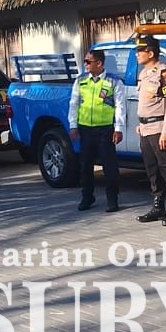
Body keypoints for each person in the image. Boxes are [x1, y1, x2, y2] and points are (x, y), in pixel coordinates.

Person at [132, 35, 166, 226]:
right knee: (152, 171)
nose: (137, 54)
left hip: (159, 129)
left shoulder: (165, 73)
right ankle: (158, 207)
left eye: (140, 51)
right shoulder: (144, 74)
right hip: (146, 129)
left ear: (151, 53)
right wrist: (141, 124)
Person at [69, 48, 125, 212]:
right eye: (85, 61)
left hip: (105, 130)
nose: (85, 64)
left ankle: (112, 199)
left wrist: (119, 128)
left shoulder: (113, 81)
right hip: (86, 129)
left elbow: (120, 106)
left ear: (99, 63)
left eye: (88, 61)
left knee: (110, 167)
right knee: (86, 166)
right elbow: (74, 103)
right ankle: (87, 197)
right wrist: (73, 125)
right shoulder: (80, 80)